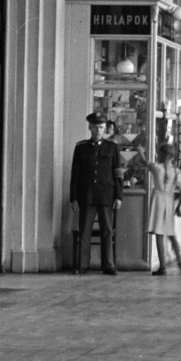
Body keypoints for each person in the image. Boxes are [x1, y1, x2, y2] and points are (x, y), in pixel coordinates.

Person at [68, 111, 123, 274]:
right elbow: (75, 174)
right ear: (90, 128)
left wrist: (118, 196)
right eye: (95, 127)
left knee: (107, 231)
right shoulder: (81, 147)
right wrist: (74, 198)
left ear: (105, 128)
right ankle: (83, 265)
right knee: (85, 231)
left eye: (101, 127)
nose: (98, 130)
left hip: (106, 195)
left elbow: (118, 173)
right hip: (86, 195)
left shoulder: (112, 147)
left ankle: (108, 265)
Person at [146, 142, 181, 274]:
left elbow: (144, 161)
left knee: (159, 234)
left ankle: (162, 267)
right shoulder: (176, 172)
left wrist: (141, 150)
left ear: (160, 155)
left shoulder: (156, 167)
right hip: (169, 200)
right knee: (171, 233)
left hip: (158, 200)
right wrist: (178, 206)